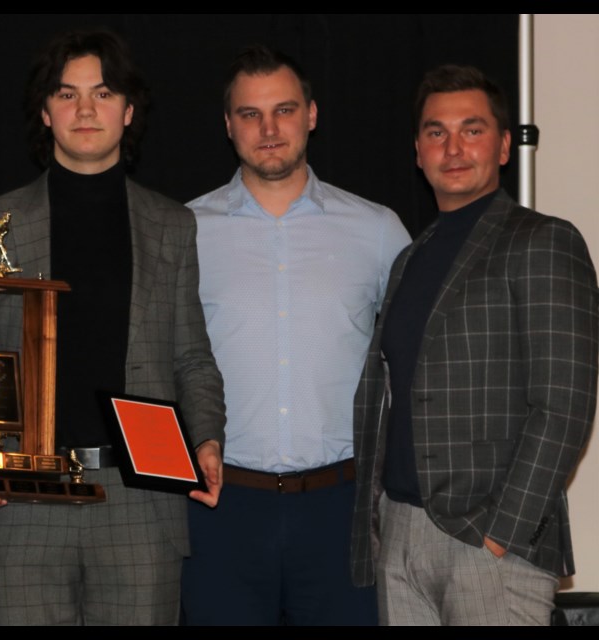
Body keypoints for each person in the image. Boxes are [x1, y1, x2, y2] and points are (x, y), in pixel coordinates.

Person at [0, 29, 226, 626]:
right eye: (67, 95)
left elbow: (192, 356)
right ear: (46, 113)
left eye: (102, 92)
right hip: (21, 496)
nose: (86, 109)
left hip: (139, 496)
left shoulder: (171, 225)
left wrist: (207, 438)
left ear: (128, 110)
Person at [351, 64, 598, 625]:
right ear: (418, 151)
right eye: (436, 132)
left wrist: (502, 531)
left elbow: (564, 405)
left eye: (473, 128)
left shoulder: (543, 240)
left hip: (487, 543)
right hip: (400, 535)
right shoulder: (409, 259)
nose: (453, 146)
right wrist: (384, 522)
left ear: (505, 145)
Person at [181, 45, 410, 626]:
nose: (269, 128)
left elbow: (417, 362)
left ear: (312, 114)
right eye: (251, 114)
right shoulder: (182, 231)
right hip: (218, 507)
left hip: (344, 508)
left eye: (284, 110)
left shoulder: (378, 231)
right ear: (228, 125)